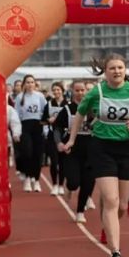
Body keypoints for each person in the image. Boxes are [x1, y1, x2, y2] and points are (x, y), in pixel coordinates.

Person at [61, 54, 129, 257]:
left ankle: (108, 226)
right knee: (110, 200)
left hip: (126, 149)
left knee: (121, 205)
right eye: (112, 68)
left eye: (120, 68)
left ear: (125, 69)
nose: (117, 71)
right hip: (101, 148)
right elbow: (79, 114)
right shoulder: (97, 92)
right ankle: (115, 252)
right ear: (105, 71)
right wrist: (72, 139)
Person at [53, 80, 95, 223]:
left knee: (87, 182)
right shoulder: (67, 110)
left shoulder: (93, 109)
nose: (80, 93)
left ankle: (80, 211)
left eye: (82, 90)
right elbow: (57, 127)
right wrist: (59, 142)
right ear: (72, 92)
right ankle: (69, 187)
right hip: (72, 149)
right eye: (77, 90)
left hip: (90, 149)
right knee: (73, 182)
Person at [16, 74, 48, 192]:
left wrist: (45, 128)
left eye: (32, 82)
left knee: (38, 154)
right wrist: (17, 130)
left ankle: (37, 180)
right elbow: (17, 114)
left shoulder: (39, 96)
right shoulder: (20, 97)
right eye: (28, 82)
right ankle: (28, 178)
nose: (30, 84)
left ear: (35, 84)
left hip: (37, 126)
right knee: (27, 152)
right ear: (24, 84)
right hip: (25, 126)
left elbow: (45, 112)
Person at [46, 82, 68, 196]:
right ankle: (54, 184)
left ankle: (61, 185)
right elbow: (42, 119)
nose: (56, 92)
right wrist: (48, 120)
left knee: (63, 162)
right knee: (54, 161)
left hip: (64, 135)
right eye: (54, 90)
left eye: (58, 90)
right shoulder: (49, 104)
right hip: (51, 135)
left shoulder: (67, 104)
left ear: (62, 91)